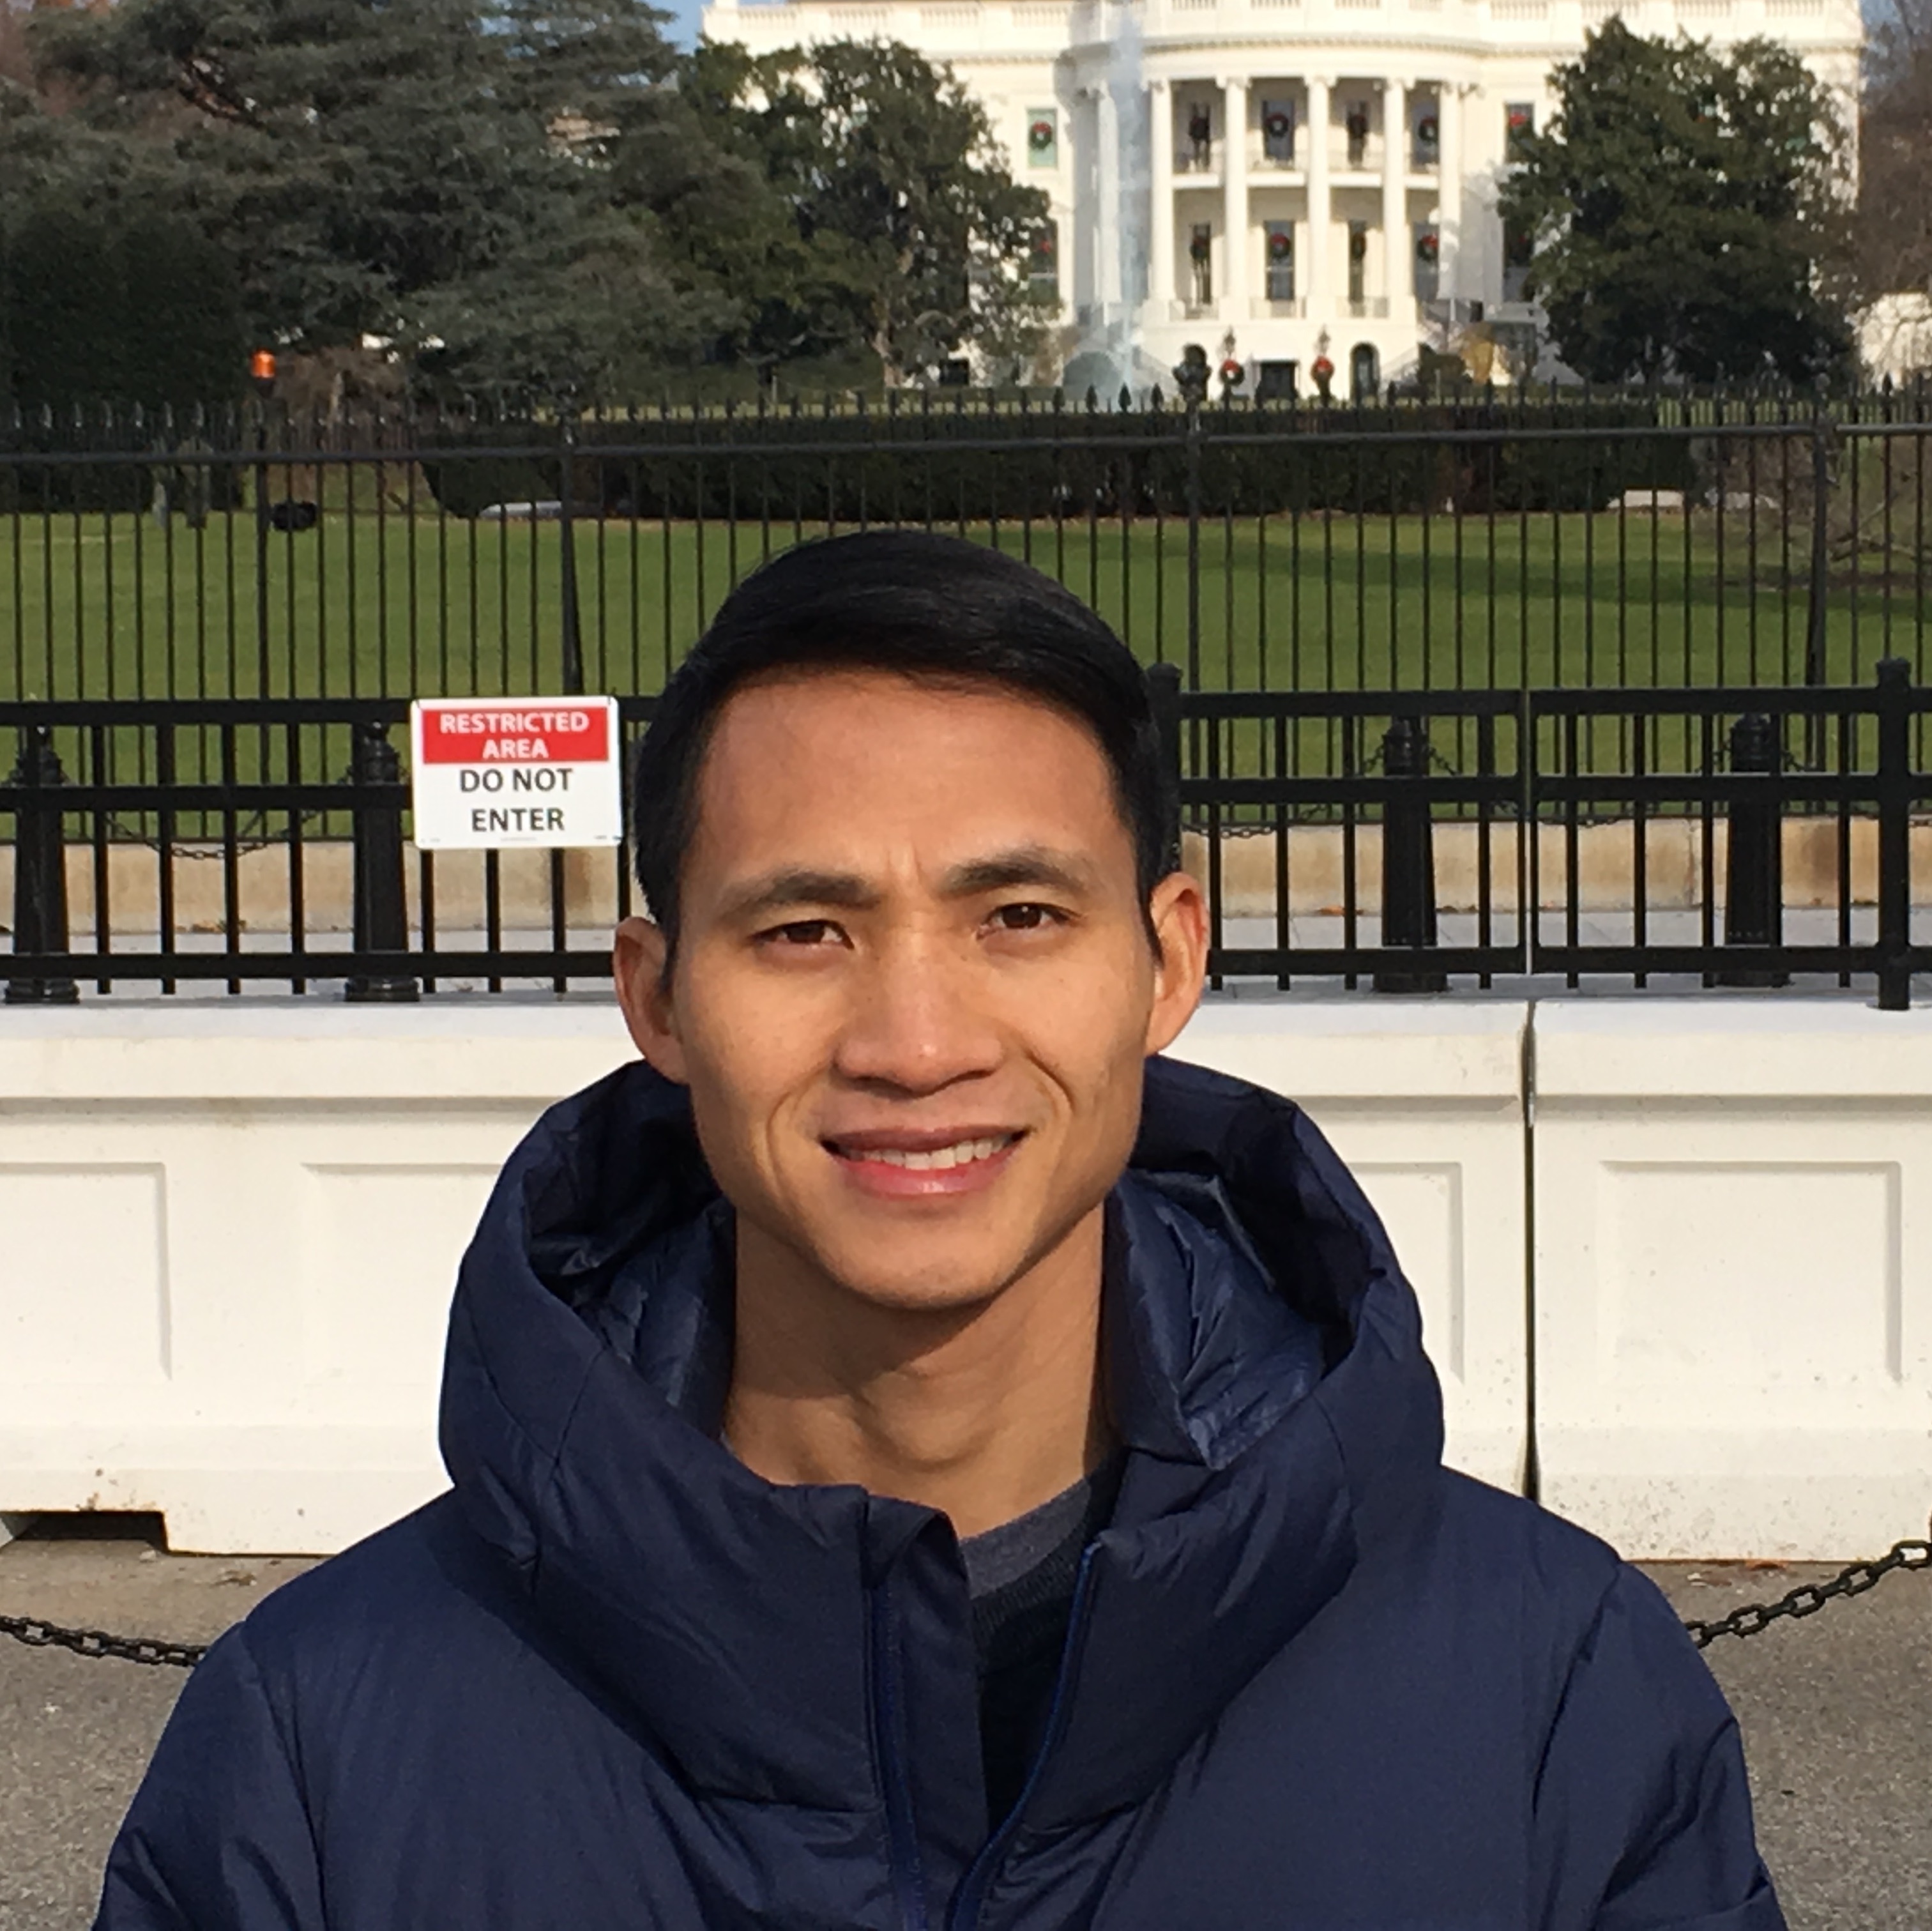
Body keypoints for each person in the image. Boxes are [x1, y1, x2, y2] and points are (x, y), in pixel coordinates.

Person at [96, 531, 1784, 1931]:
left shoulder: (1554, 1698)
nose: (916, 1042)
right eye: (804, 929)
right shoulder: (312, 1751)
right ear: (659, 996)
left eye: (1018, 917)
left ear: (1167, 960)